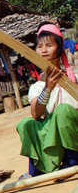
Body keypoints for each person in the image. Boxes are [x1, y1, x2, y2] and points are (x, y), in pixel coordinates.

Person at [16, 22, 78, 180]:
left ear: (58, 47)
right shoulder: (37, 86)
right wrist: (48, 88)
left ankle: (72, 161)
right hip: (52, 131)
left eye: (49, 45)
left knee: (63, 110)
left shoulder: (74, 79)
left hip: (73, 128)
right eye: (39, 46)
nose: (43, 50)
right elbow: (36, 115)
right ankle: (38, 168)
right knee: (26, 123)